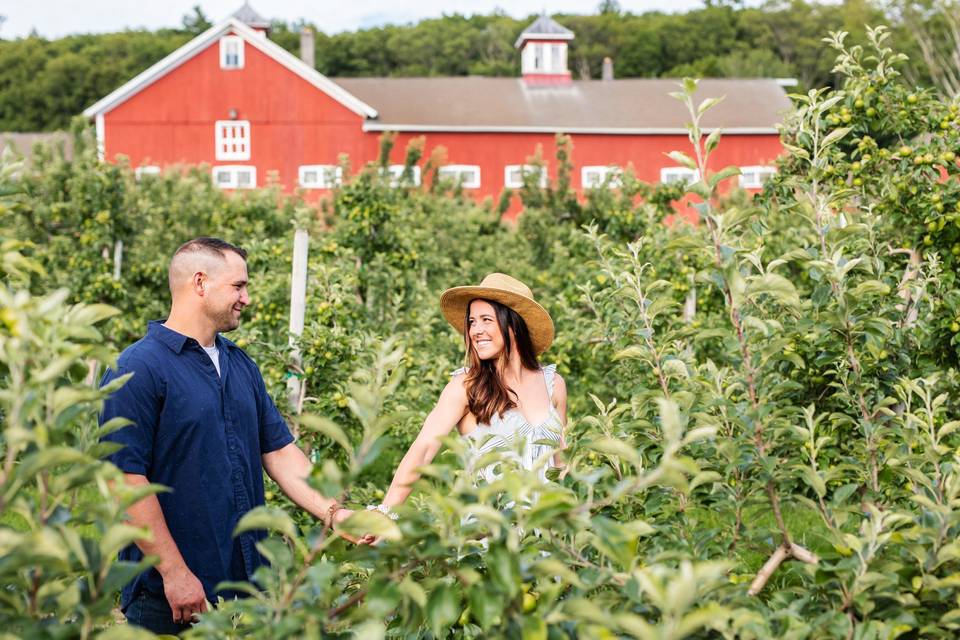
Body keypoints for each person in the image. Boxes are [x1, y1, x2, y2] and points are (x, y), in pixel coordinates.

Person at [99, 237, 353, 635]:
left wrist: (336, 515)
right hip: (171, 598)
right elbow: (125, 480)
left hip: (246, 587)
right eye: (239, 286)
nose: (247, 298)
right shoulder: (138, 368)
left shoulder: (240, 364)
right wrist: (175, 573)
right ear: (199, 283)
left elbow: (280, 453)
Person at [363, 273, 567, 530]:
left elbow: (561, 464)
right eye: (472, 322)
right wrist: (386, 512)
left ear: (513, 325)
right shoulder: (467, 387)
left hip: (547, 538)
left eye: (486, 320)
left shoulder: (553, 385)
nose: (475, 331)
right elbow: (424, 448)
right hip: (490, 537)